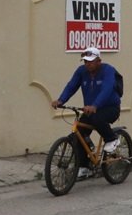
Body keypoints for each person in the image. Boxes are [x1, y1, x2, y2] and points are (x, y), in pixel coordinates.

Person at [51, 46, 121, 178]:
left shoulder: (108, 71)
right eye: (85, 61)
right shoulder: (81, 72)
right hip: (90, 110)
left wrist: (95, 105)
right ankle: (84, 167)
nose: (87, 64)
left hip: (110, 108)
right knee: (78, 135)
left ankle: (112, 139)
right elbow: (71, 86)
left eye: (90, 61)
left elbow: (106, 90)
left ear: (99, 61)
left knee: (97, 119)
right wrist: (61, 100)